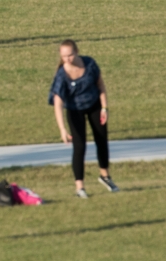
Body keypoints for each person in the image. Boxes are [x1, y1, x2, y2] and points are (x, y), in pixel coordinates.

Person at [49, 38, 116, 197]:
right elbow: (58, 103)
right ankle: (80, 187)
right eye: (64, 56)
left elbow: (100, 85)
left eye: (70, 55)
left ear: (76, 52)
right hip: (75, 110)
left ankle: (105, 176)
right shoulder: (62, 75)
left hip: (94, 106)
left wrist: (104, 108)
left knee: (102, 140)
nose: (67, 59)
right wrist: (62, 129)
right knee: (79, 147)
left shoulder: (89, 64)